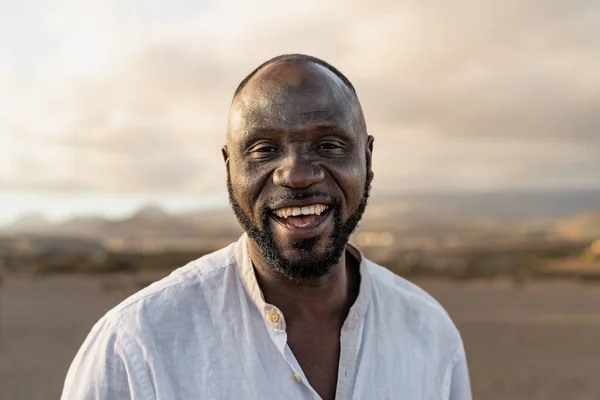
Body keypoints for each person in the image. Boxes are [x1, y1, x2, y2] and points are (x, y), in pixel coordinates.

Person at [61, 54, 472, 400]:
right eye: (264, 149)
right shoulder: (136, 345)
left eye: (328, 145)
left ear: (366, 158)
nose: (295, 175)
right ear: (229, 168)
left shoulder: (430, 335)